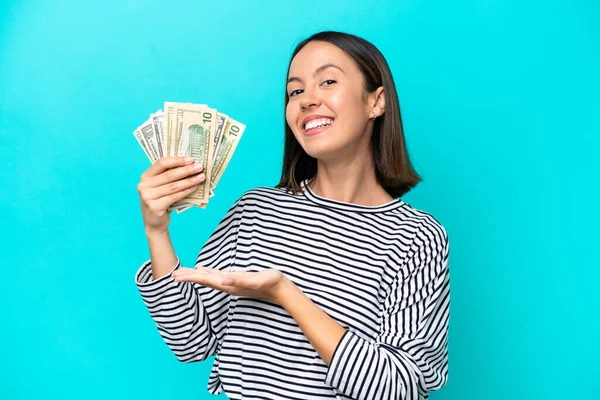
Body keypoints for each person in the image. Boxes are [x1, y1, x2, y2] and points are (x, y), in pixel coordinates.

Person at [134, 30, 450, 400]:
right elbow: (191, 342)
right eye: (295, 91)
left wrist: (286, 293)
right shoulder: (255, 211)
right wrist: (157, 231)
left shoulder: (417, 237)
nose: (306, 101)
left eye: (327, 81)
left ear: (376, 101)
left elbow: (402, 389)